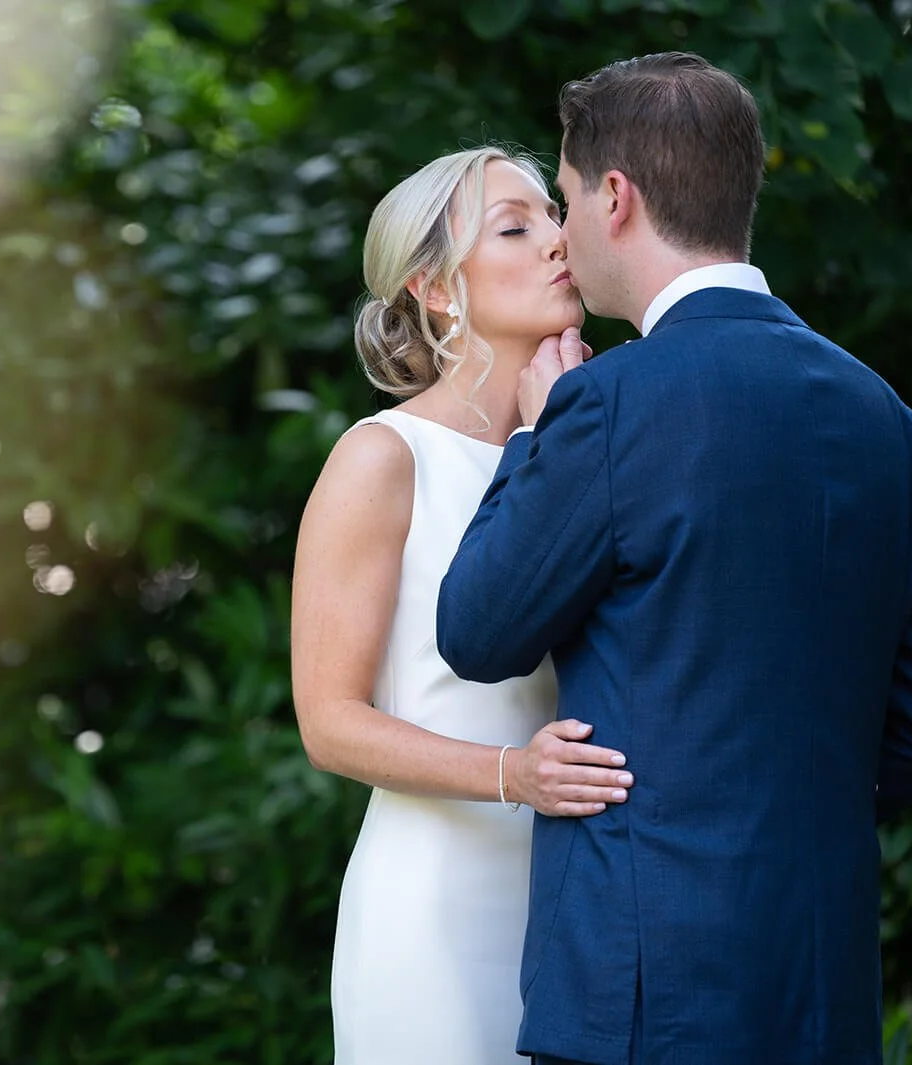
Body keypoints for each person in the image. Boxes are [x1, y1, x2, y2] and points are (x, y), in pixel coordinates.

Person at [435, 53, 912, 1065]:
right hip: (820, 977)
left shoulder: (606, 403)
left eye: (561, 200)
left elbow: (477, 630)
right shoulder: (885, 416)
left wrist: (530, 438)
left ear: (615, 196)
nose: (560, 234)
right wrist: (791, 801)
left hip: (644, 983)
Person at [289, 146, 636, 1065]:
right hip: (436, 912)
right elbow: (329, 725)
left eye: (552, 218)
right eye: (516, 228)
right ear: (438, 290)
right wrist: (513, 775)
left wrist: (557, 433)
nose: (559, 242)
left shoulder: (592, 436)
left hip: (584, 903)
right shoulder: (382, 457)